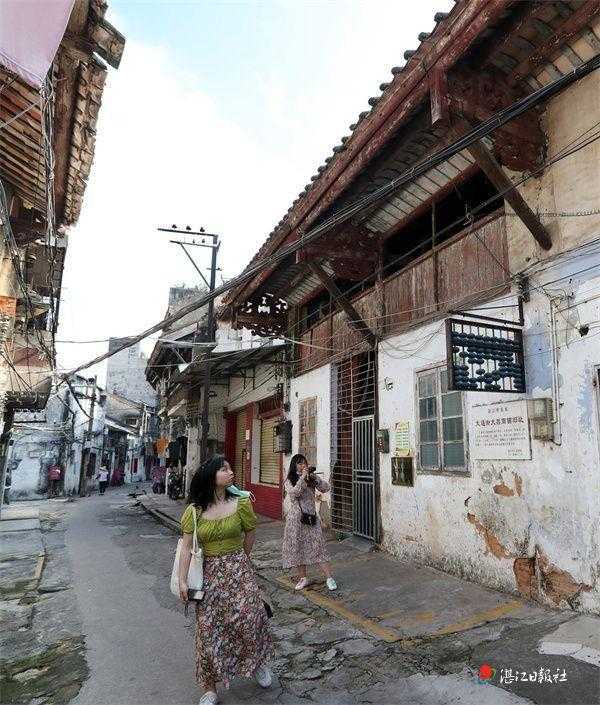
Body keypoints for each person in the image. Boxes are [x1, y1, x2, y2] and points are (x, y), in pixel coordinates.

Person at [178, 456, 272, 705]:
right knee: (208, 630)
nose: (230, 472)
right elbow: (186, 548)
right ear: (211, 476)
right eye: (224, 469)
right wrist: (182, 580)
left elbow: (250, 533)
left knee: (252, 617)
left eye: (230, 468)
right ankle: (210, 688)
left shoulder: (241, 503)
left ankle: (257, 663)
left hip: (239, 569)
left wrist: (242, 559)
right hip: (208, 574)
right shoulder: (194, 511)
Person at [282, 454, 337, 591]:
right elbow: (294, 493)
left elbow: (326, 488)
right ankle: (303, 578)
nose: (303, 466)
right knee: (298, 548)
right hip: (296, 520)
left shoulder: (311, 478)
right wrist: (302, 478)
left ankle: (329, 578)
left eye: (304, 463)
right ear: (294, 465)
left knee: (318, 547)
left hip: (311, 518)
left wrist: (315, 479)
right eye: (299, 463)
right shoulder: (289, 480)